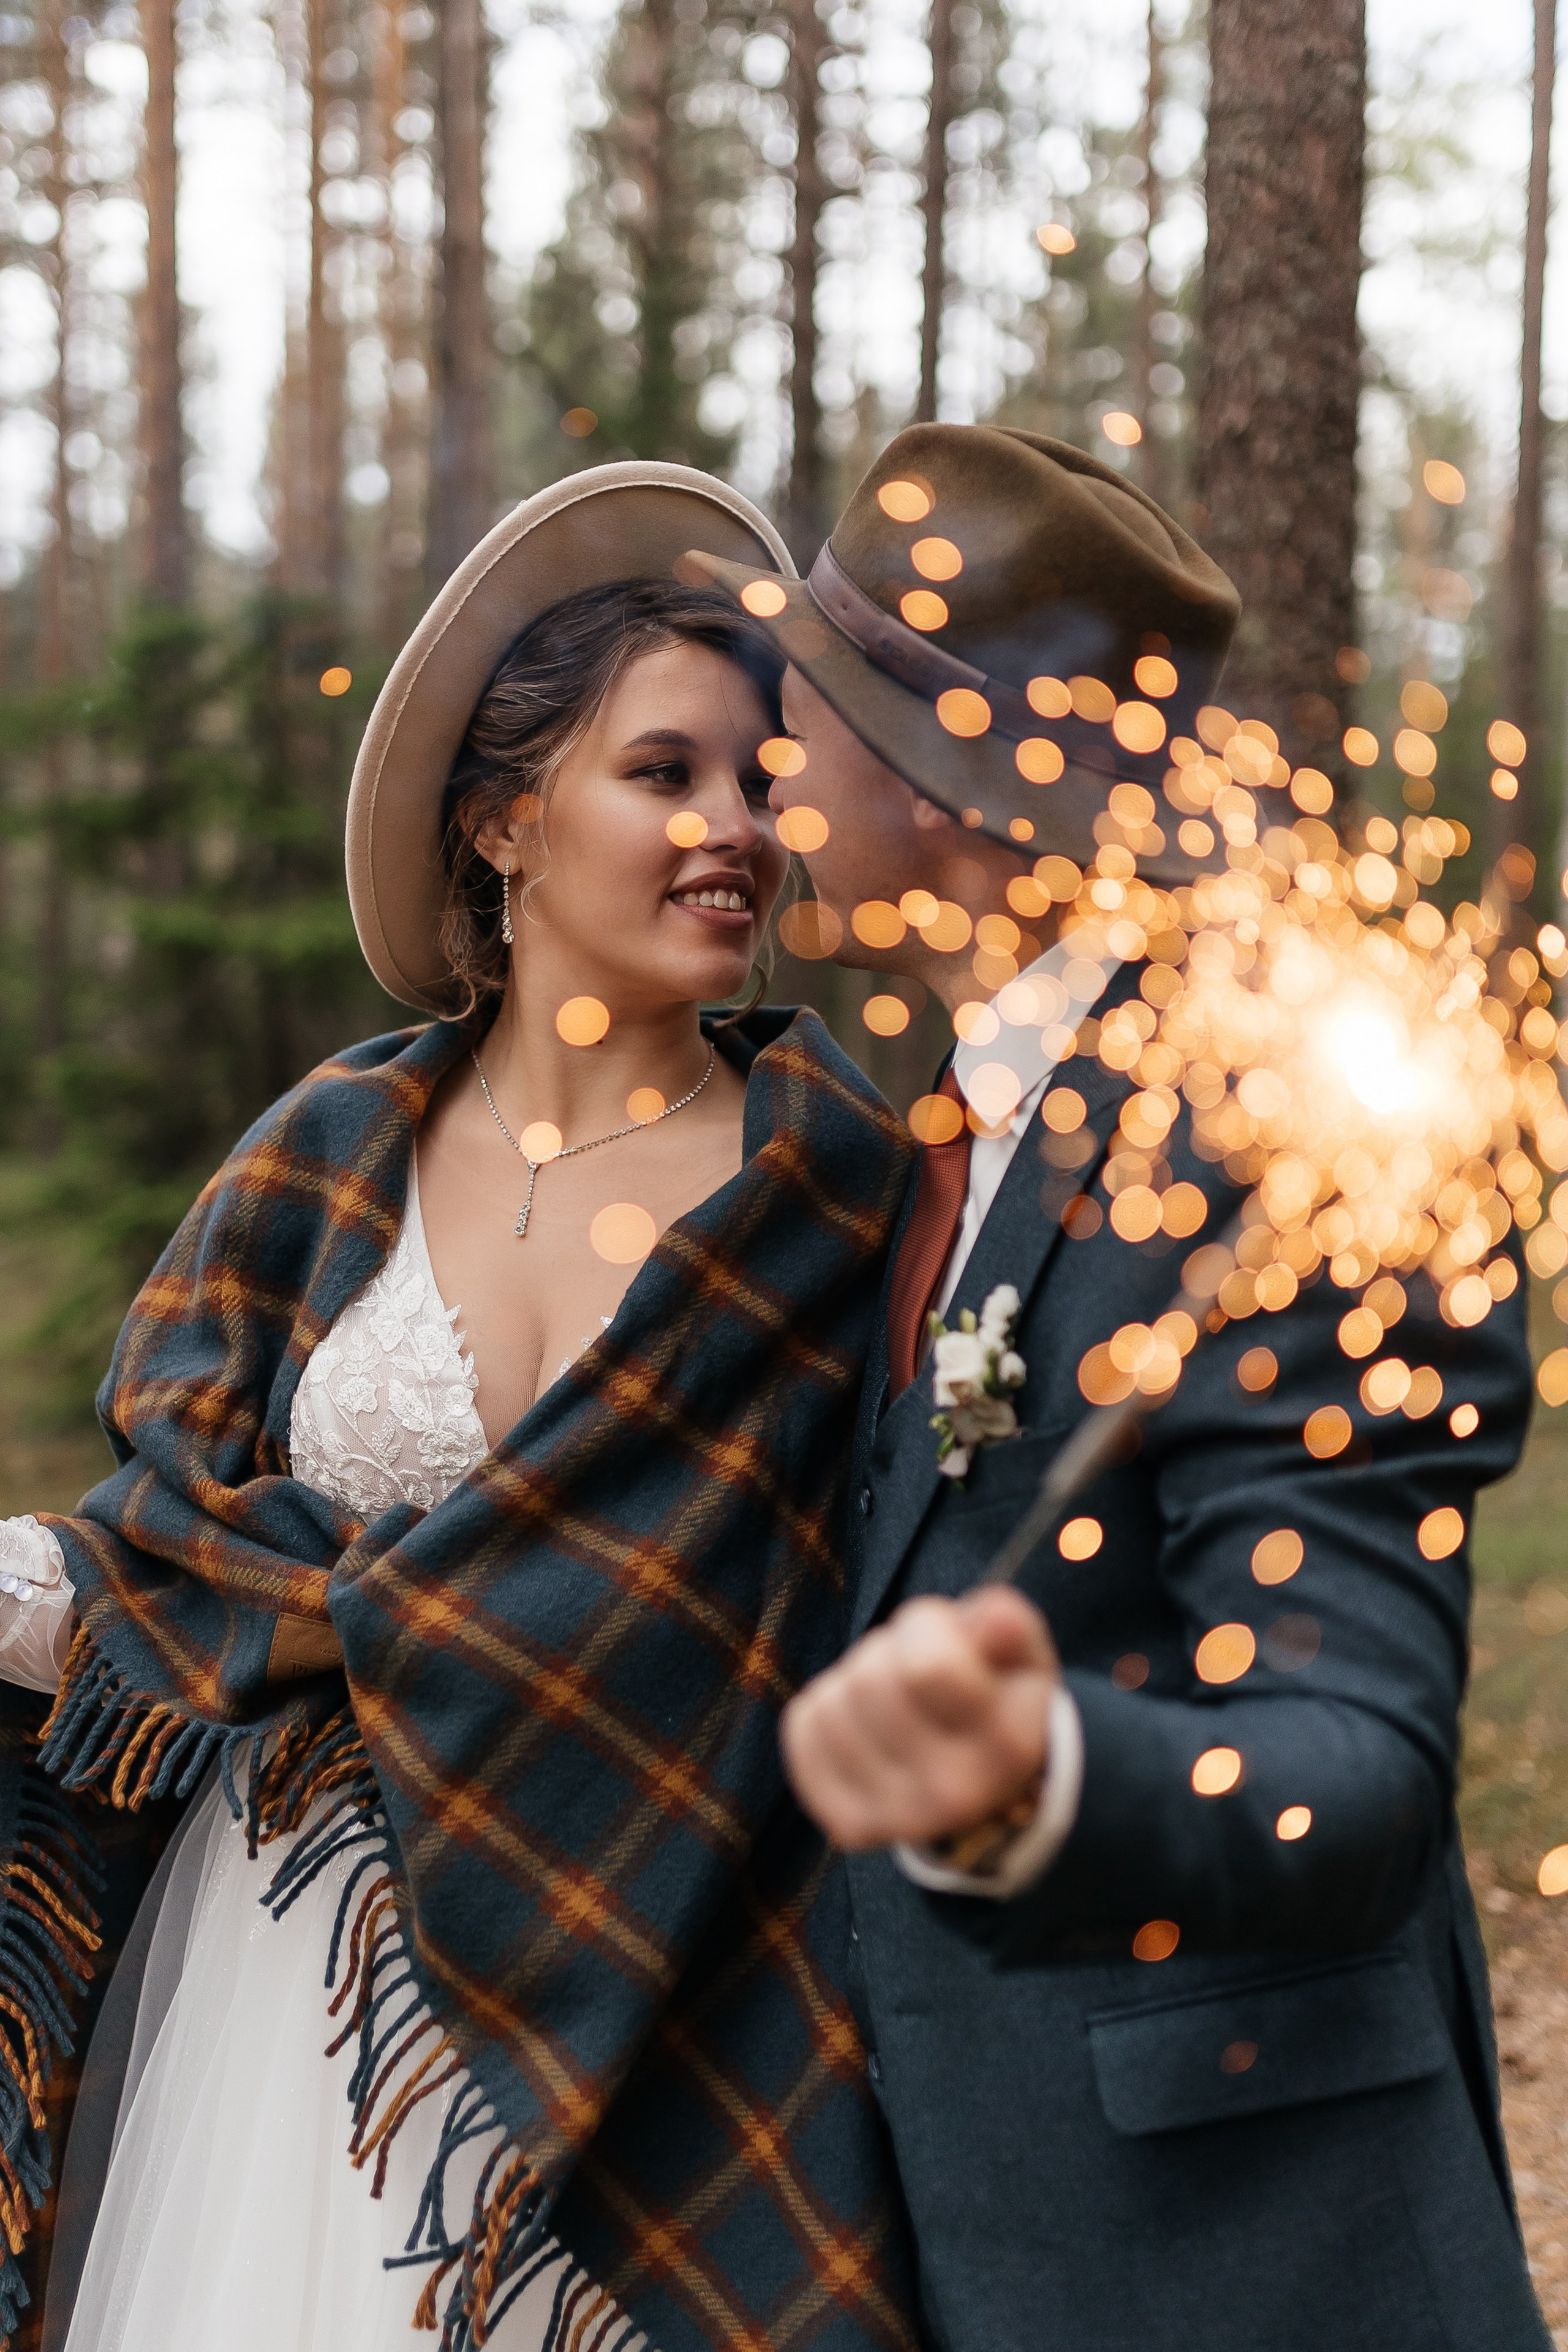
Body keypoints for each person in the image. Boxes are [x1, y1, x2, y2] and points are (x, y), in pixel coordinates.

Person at [0, 463, 921, 2352]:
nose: (739, 828)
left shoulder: (834, 1191)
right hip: (299, 1976)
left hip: (669, 1991)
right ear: (507, 822)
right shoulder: (333, 1146)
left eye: (762, 779)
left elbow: (814, 1622)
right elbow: (172, 1545)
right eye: (663, 772)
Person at [686, 423, 1551, 2352]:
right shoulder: (938, 1135)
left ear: (940, 785)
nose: (766, 762)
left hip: (1251, 2274)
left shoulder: (1277, 1149)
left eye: (801, 709)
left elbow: (1356, 1768)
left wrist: (1043, 1783)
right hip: (980, 2238)